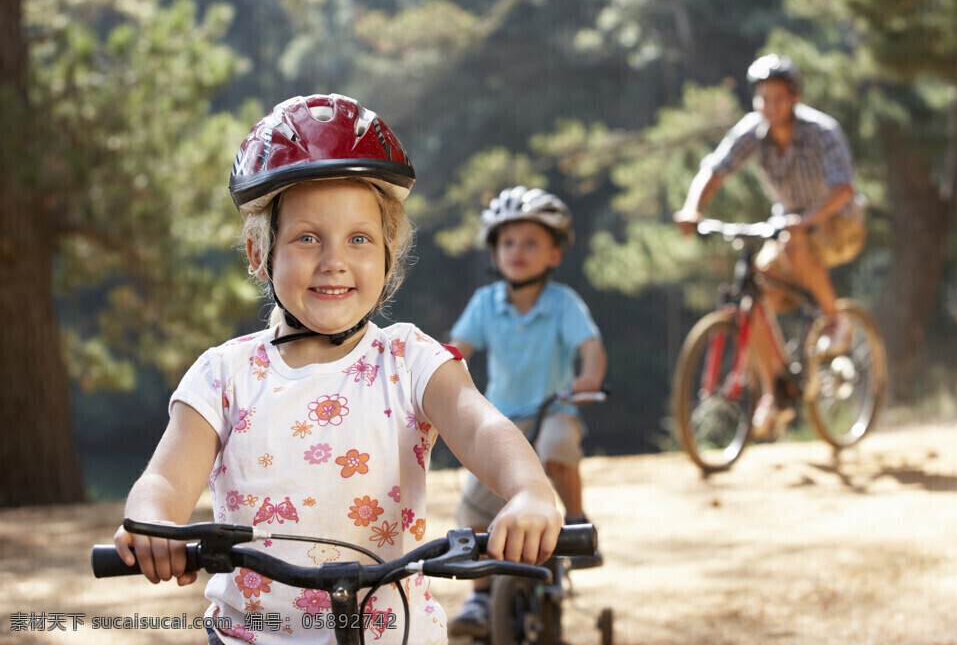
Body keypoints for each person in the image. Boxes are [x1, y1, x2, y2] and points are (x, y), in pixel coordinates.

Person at [112, 94, 562, 645]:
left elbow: (481, 425)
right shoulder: (224, 375)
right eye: (306, 238)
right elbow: (164, 478)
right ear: (259, 252)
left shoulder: (409, 360)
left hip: (394, 634)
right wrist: (154, 523)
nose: (335, 261)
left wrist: (529, 491)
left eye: (359, 239)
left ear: (388, 253)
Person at [446, 186, 607, 638]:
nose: (517, 251)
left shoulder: (563, 302)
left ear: (555, 255)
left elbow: (590, 346)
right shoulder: (484, 303)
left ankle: (575, 521)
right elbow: (456, 350)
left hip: (554, 406)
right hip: (500, 419)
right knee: (475, 504)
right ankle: (479, 596)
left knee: (558, 446)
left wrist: (589, 376)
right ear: (494, 252)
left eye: (531, 243)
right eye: (508, 242)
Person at [674, 53, 865, 430]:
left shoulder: (821, 130)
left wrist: (805, 220)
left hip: (837, 222)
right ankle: (776, 388)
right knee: (757, 291)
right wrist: (692, 209)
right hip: (791, 224)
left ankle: (836, 321)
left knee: (794, 244)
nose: (770, 106)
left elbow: (843, 187)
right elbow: (715, 168)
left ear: (794, 97)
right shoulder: (752, 130)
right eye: (763, 98)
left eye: (778, 98)